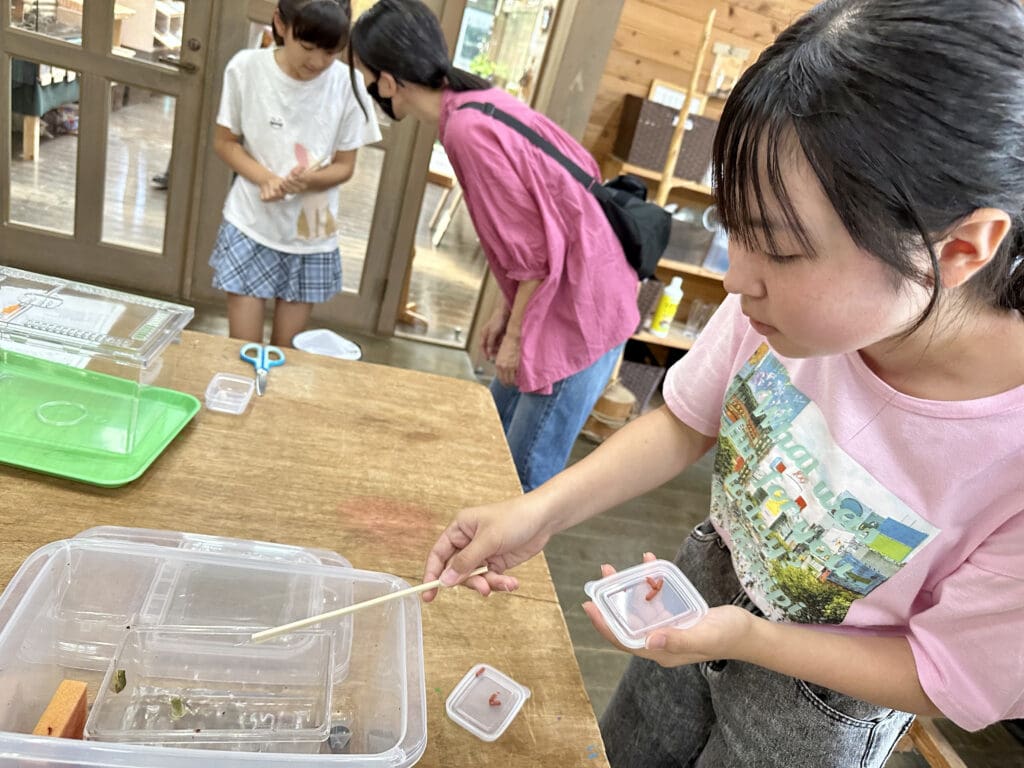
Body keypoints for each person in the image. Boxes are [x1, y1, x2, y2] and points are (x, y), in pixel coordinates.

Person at [419, 0, 1024, 765]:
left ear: (961, 247)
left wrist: (751, 639)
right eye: (734, 229)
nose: (738, 280)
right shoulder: (781, 311)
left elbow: (947, 676)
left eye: (781, 249)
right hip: (706, 581)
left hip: (826, 697)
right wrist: (538, 513)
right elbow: (685, 421)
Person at [349, 0, 640, 492]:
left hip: (580, 307)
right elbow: (537, 227)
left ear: (389, 81)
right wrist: (504, 315)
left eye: (365, 75)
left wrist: (515, 336)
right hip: (583, 283)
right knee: (491, 442)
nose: (368, 87)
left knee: (522, 479)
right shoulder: (476, 101)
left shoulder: (466, 129)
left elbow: (534, 259)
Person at [210, 0, 380, 346]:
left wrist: (308, 181)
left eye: (330, 51)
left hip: (311, 231)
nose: (317, 62)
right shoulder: (246, 68)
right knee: (243, 351)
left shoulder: (348, 85)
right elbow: (225, 143)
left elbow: (345, 167)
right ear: (280, 24)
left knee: (288, 354)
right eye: (307, 46)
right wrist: (268, 179)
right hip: (251, 223)